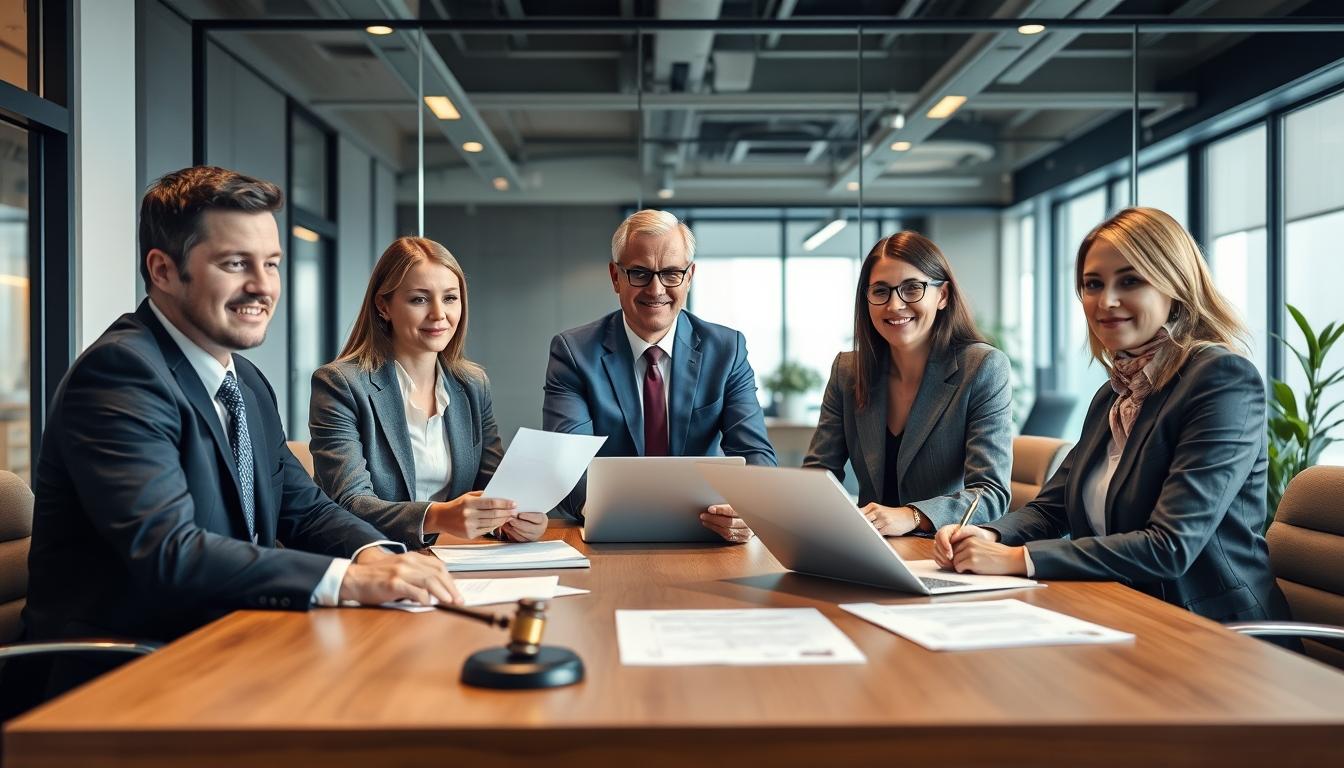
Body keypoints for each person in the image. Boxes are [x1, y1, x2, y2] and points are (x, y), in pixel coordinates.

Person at [22, 166, 460, 695]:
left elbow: (303, 507)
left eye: (271, 264)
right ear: (162, 269)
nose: (262, 287)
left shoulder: (244, 379)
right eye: (235, 264)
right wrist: (347, 580)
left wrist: (381, 556)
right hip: (125, 674)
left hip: (230, 642)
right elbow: (170, 552)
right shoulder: (121, 374)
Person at [934, 207, 1289, 623]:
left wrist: (1016, 558)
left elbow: (1169, 547)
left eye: (1130, 280)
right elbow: (1053, 509)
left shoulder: (1220, 379)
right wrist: (989, 534)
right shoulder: (1114, 394)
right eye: (1092, 284)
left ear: (1174, 285)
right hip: (1121, 612)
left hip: (1214, 631)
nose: (1107, 301)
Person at [542, 209, 777, 540]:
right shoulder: (574, 352)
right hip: (609, 535)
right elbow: (565, 463)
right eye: (639, 273)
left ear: (690, 276)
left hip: (708, 532)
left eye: (671, 273)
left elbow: (756, 454)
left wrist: (749, 510)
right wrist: (613, 516)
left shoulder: (726, 349)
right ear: (615, 277)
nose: (655, 290)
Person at [309, 237, 540, 548]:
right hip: (367, 560)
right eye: (419, 299)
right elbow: (350, 503)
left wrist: (515, 519)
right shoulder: (341, 384)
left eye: (449, 298)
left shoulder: (472, 384)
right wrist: (438, 516)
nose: (438, 314)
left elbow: (493, 487)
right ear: (383, 306)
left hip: (454, 561)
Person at [803, 231, 1012, 536]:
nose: (895, 305)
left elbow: (990, 494)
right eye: (881, 291)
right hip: (865, 548)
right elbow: (819, 476)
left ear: (942, 296)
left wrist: (911, 515)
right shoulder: (848, 371)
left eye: (912, 288)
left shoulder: (982, 367)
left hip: (939, 551)